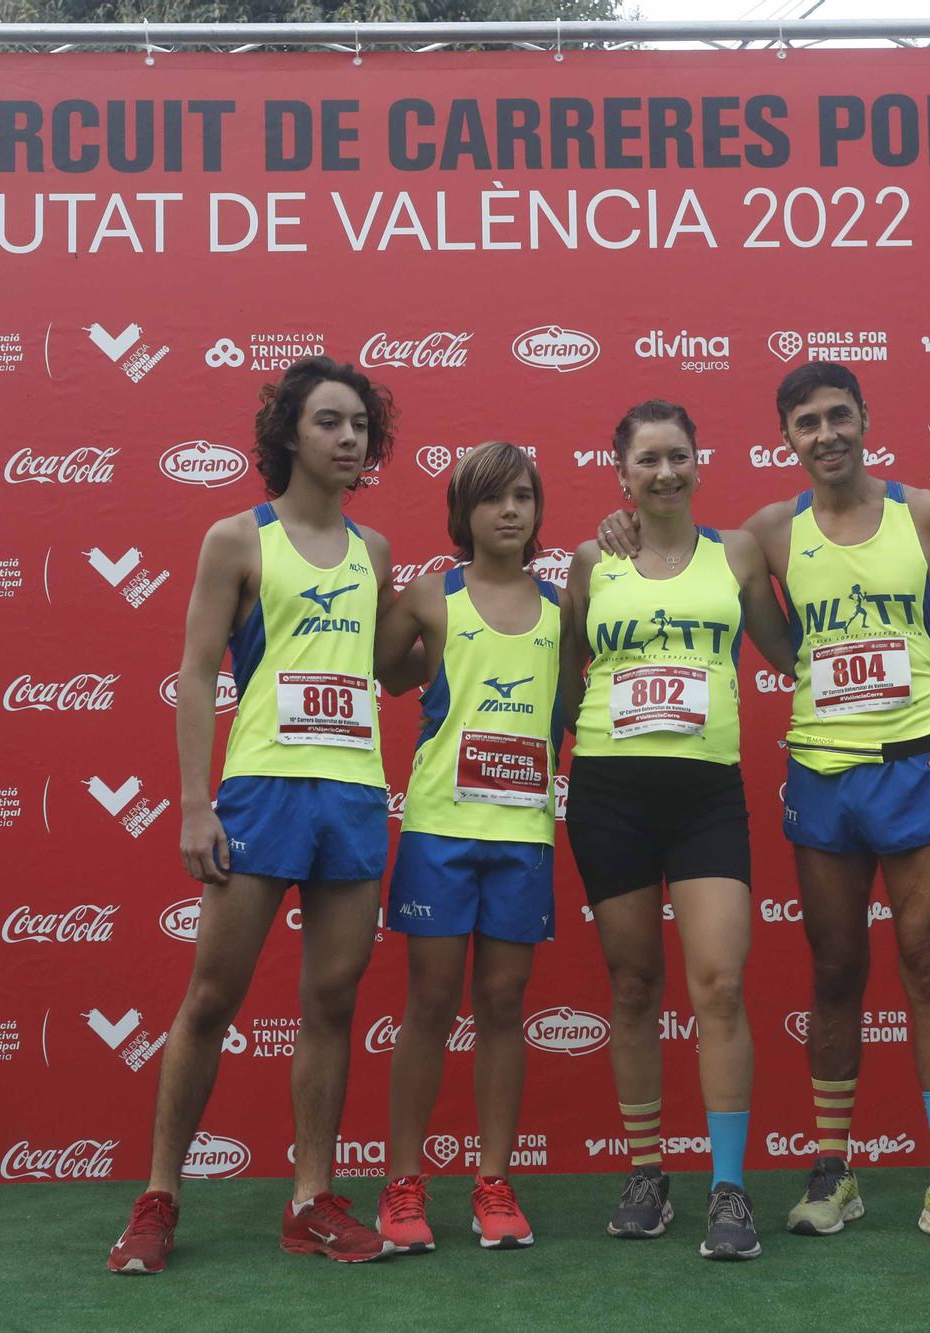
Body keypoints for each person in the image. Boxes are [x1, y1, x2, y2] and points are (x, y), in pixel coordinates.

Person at [600, 361, 930, 1250]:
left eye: (838, 417)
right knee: (834, 970)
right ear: (785, 438)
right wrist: (624, 522)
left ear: (865, 419)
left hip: (916, 768)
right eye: (805, 424)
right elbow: (708, 580)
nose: (824, 434)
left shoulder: (928, 515)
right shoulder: (764, 537)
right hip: (823, 774)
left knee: (929, 963)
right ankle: (834, 1169)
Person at [108, 356, 408, 1274]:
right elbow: (197, 674)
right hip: (260, 793)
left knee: (330, 1001)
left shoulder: (378, 552)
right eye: (329, 421)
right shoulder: (237, 539)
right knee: (212, 999)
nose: (349, 436)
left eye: (359, 423)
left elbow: (392, 670)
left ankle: (311, 1199)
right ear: (287, 435)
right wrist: (195, 804)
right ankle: (158, 1199)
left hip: (354, 794)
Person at [561, 400, 795, 1262]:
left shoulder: (736, 552)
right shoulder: (594, 557)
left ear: (701, 461)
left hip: (706, 794)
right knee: (632, 984)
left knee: (720, 983)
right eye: (647, 461)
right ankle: (648, 1173)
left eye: (678, 457)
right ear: (620, 472)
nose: (665, 473)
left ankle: (727, 1185)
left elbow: (789, 650)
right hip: (609, 791)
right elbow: (564, 673)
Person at [370, 442, 566, 1255]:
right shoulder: (430, 594)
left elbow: (578, 704)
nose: (509, 512)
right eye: (491, 499)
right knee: (429, 1001)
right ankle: (404, 1183)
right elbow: (387, 671)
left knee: (503, 1005)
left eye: (522, 496)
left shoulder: (565, 607)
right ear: (464, 515)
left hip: (522, 834)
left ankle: (493, 1180)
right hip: (441, 829)